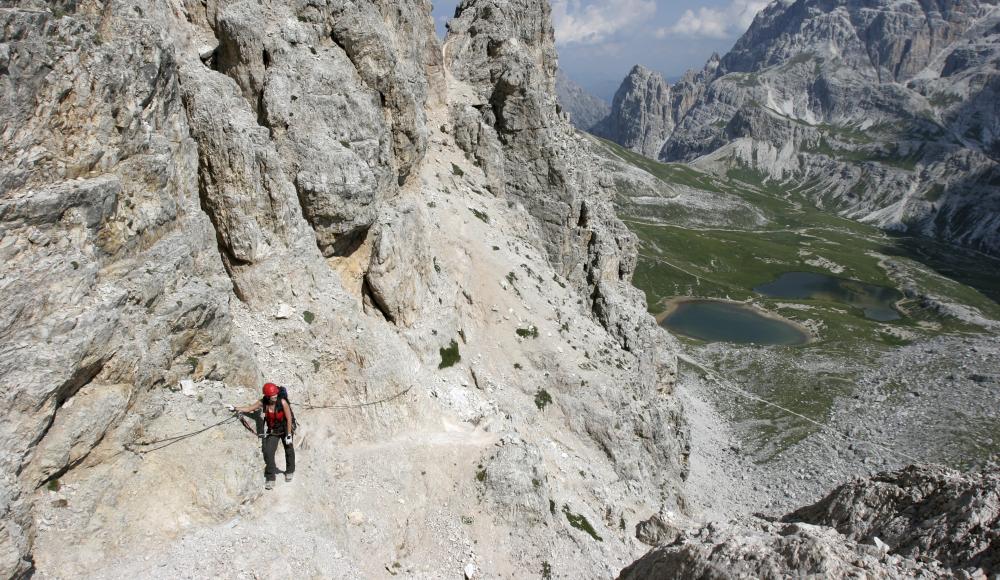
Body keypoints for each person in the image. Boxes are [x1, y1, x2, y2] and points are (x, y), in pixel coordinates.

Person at [231, 383, 295, 490]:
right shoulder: (263, 402)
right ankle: (270, 477)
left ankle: (290, 471)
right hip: (274, 431)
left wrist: (288, 435)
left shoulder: (282, 402)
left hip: (285, 429)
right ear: (267, 396)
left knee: (288, 449)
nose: (275, 396)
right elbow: (249, 408)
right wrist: (235, 408)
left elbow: (289, 419)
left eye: (276, 394)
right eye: (273, 395)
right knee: (268, 452)